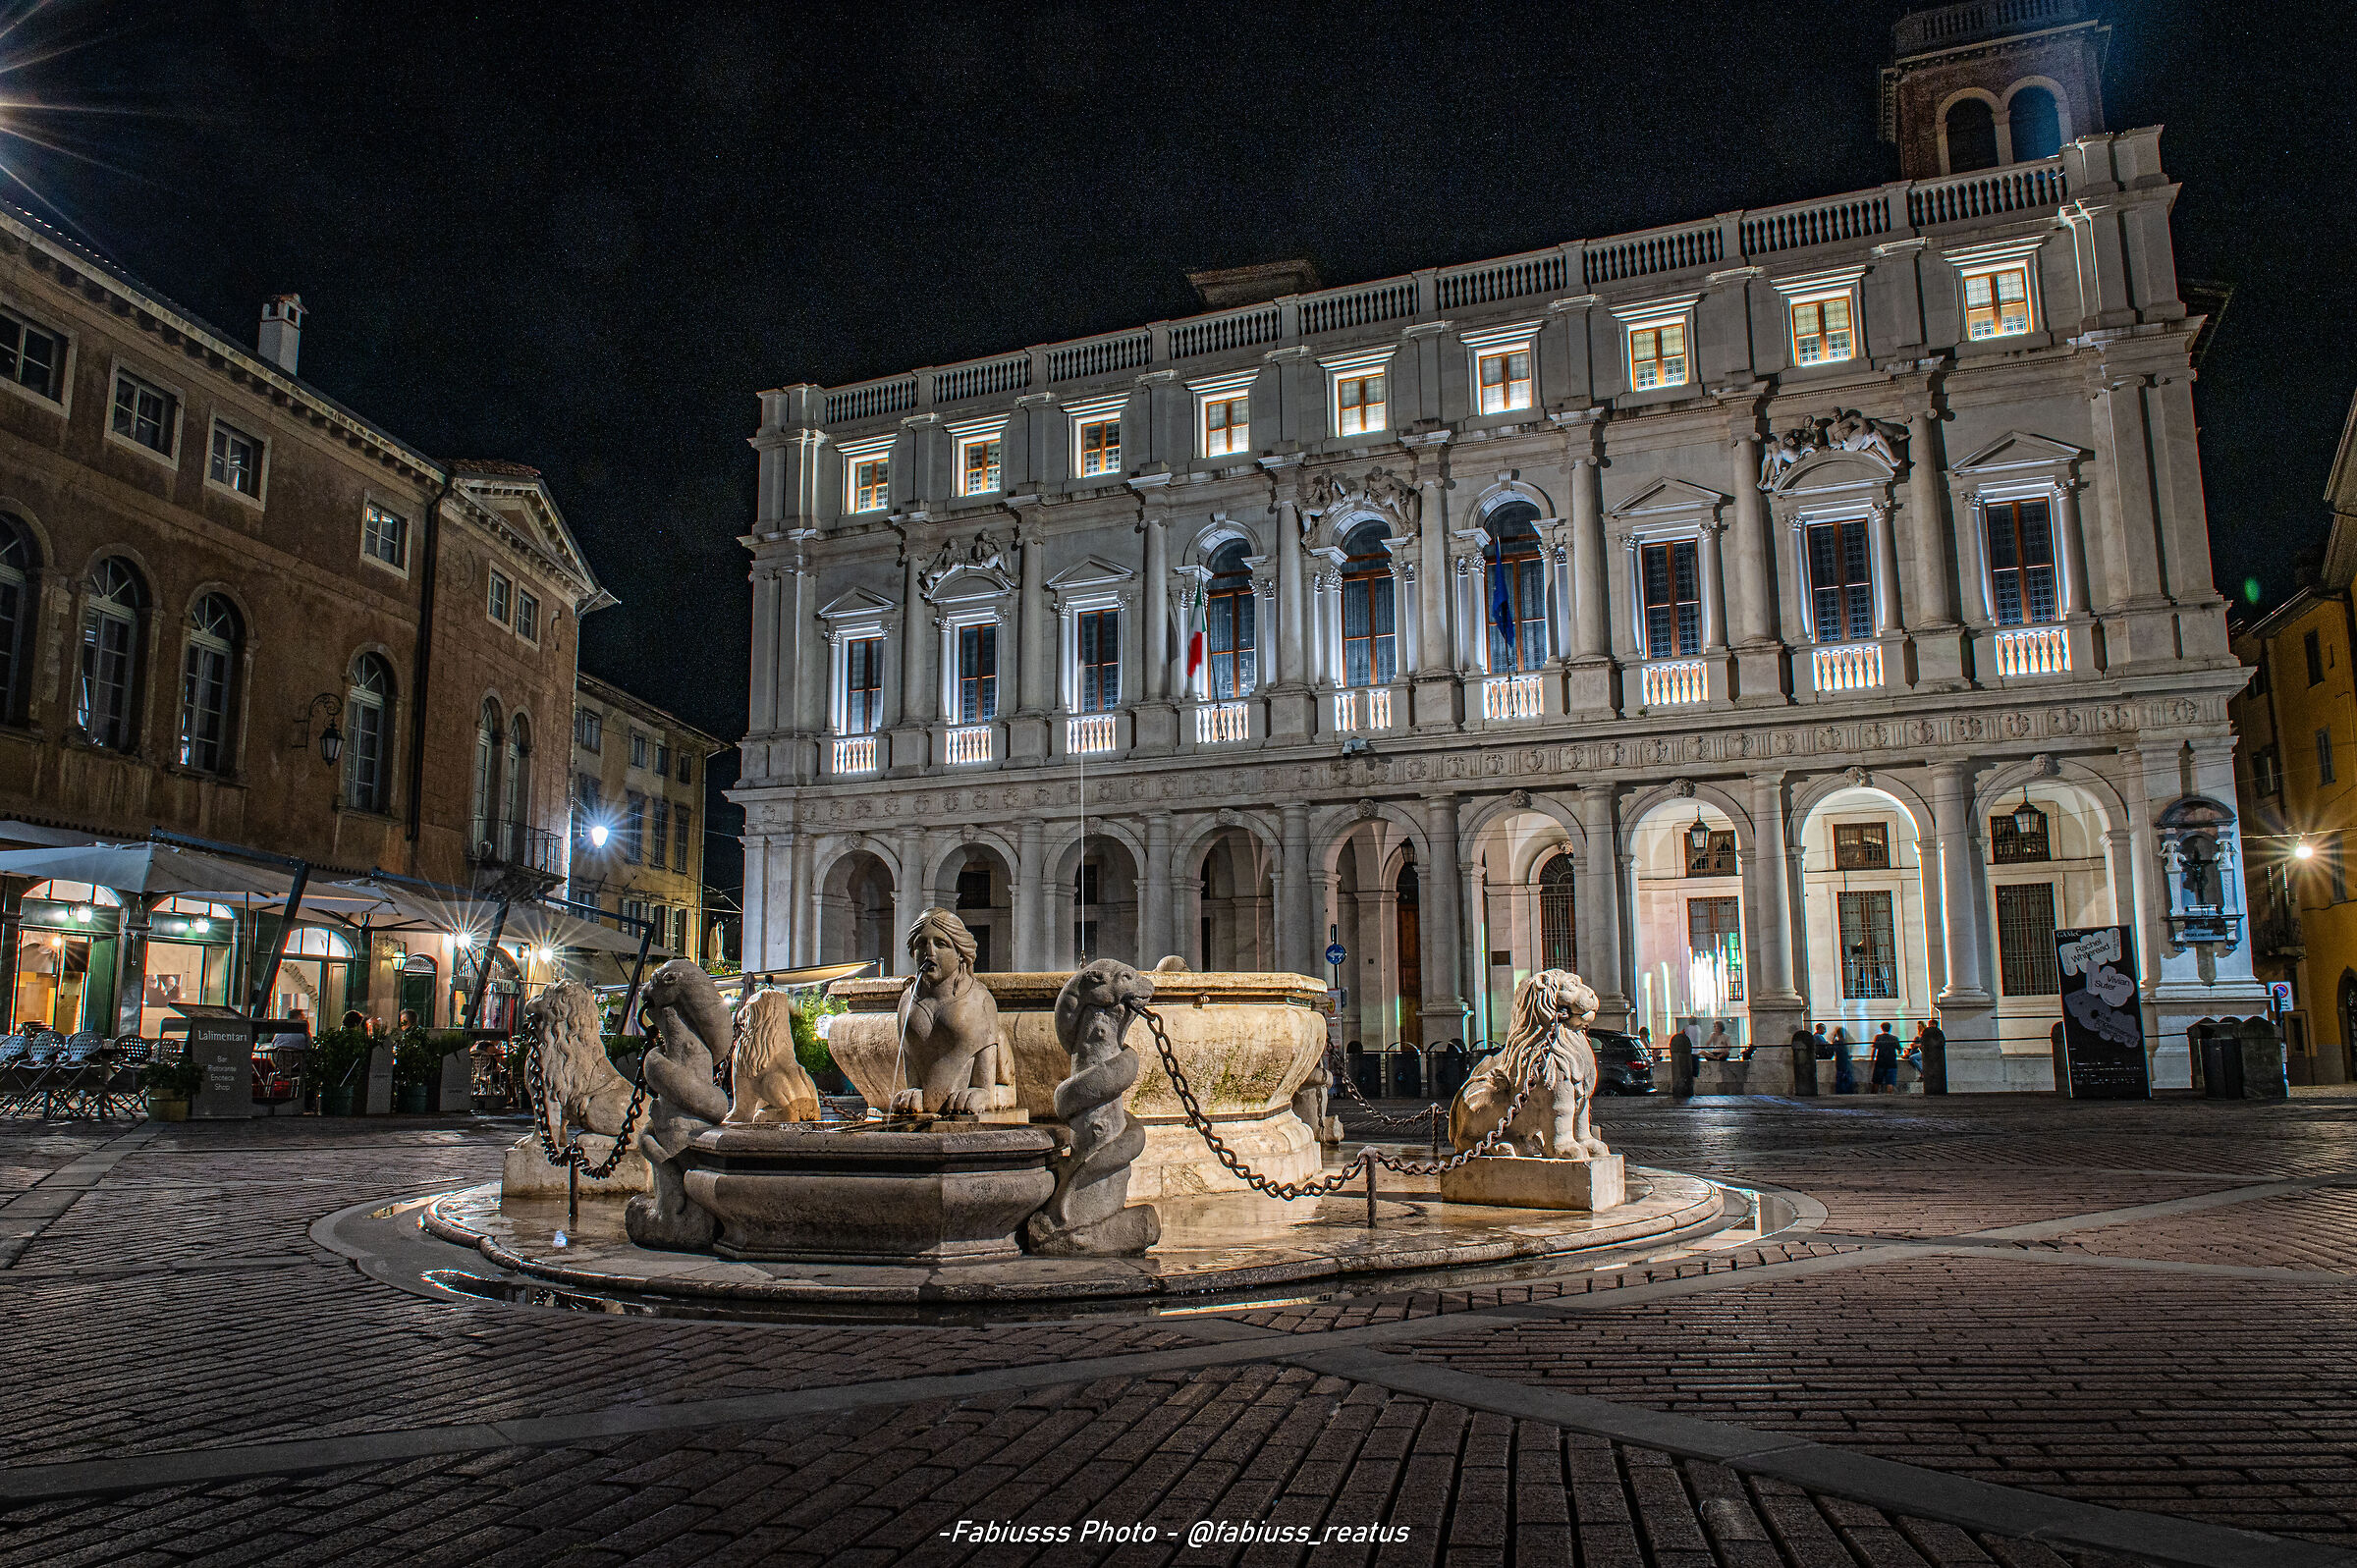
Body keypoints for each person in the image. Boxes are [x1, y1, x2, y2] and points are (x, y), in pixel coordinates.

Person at [1871, 1021, 1901, 1094]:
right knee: (1890, 1083)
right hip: (1891, 1063)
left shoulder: (1878, 1037)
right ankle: (1889, 1100)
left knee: (1876, 1082)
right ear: (1890, 1029)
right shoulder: (1894, 1038)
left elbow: (1874, 1050)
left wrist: (1872, 1060)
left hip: (1880, 1063)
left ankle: (1873, 1100)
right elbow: (1900, 1050)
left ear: (1882, 1028)